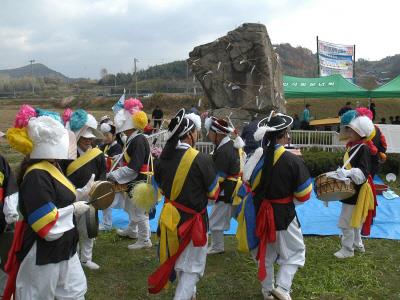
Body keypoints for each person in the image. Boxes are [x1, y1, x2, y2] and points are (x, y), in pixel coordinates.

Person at [3, 112, 91, 299]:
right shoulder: (36, 175)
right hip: (43, 250)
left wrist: (81, 193)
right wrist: (73, 209)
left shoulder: (52, 165)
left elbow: (60, 196)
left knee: (74, 292)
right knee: (39, 294)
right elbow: (45, 225)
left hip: (65, 244)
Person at [236, 112, 312, 300]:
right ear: (284, 135)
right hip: (283, 215)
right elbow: (304, 194)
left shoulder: (255, 159)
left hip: (259, 212)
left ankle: (267, 291)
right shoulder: (293, 160)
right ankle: (283, 288)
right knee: (295, 253)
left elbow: (248, 184)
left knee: (266, 254)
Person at [148, 109, 220, 299]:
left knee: (178, 258)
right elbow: (213, 194)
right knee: (193, 268)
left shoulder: (161, 160)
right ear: (188, 134)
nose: (197, 134)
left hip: (169, 218)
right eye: (195, 131)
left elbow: (161, 190)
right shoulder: (201, 159)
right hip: (193, 221)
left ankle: (190, 293)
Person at [61, 109, 106, 270]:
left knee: (89, 228)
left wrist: (99, 188)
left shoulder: (98, 154)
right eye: (85, 138)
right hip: (71, 197)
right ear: (78, 136)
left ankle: (86, 258)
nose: (88, 141)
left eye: (90, 138)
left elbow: (102, 173)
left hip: (91, 197)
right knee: (71, 228)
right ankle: (72, 257)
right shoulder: (67, 154)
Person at [108, 98, 152, 250]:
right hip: (136, 179)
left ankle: (145, 240)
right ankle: (132, 231)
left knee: (139, 211)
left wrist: (113, 175)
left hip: (139, 180)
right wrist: (117, 159)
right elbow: (129, 159)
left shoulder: (138, 140)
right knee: (131, 207)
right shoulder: (134, 139)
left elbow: (134, 167)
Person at [334, 110, 377, 259]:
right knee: (355, 219)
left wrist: (348, 173)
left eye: (352, 129)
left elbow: (363, 174)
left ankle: (347, 250)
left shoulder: (362, 148)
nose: (349, 131)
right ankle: (358, 244)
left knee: (346, 220)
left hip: (355, 190)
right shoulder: (354, 146)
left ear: (360, 132)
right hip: (351, 188)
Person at [205, 116, 245, 255]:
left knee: (215, 219)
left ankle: (217, 246)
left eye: (210, 133)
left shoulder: (224, 150)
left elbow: (219, 177)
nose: (208, 135)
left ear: (218, 134)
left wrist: (207, 190)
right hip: (234, 189)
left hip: (227, 190)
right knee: (241, 216)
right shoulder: (229, 146)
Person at [0, 131, 19, 296]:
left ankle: (4, 291)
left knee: (5, 256)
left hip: (1, 218)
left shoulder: (2, 162)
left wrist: (10, 210)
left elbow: (10, 187)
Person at [99, 118, 123, 231]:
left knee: (110, 203)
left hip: (115, 180)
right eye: (103, 135)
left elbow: (113, 162)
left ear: (114, 135)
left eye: (107, 135)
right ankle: (107, 224)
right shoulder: (106, 146)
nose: (104, 138)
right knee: (106, 202)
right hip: (109, 179)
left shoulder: (117, 147)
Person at [355, 108, 387, 178]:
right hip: (374, 159)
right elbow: (384, 144)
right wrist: (381, 152)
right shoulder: (376, 128)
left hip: (359, 160)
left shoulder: (356, 129)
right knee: (370, 180)